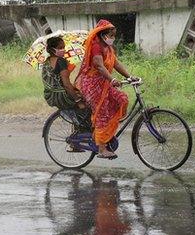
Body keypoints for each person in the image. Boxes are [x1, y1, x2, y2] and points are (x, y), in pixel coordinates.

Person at [76, 19, 134, 159]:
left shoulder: (108, 48)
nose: (113, 37)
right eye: (111, 35)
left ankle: (107, 132)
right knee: (102, 112)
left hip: (104, 83)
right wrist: (112, 79)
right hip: (91, 84)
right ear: (103, 35)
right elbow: (99, 66)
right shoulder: (96, 46)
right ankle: (102, 149)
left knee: (122, 99)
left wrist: (130, 76)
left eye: (114, 35)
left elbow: (116, 63)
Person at [41, 36, 90, 151]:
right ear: (53, 49)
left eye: (63, 47)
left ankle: (77, 140)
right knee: (86, 106)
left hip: (51, 95)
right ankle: (79, 138)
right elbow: (67, 85)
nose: (63, 49)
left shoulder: (47, 62)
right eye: (60, 48)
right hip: (62, 96)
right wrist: (78, 100)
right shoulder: (61, 61)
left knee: (78, 108)